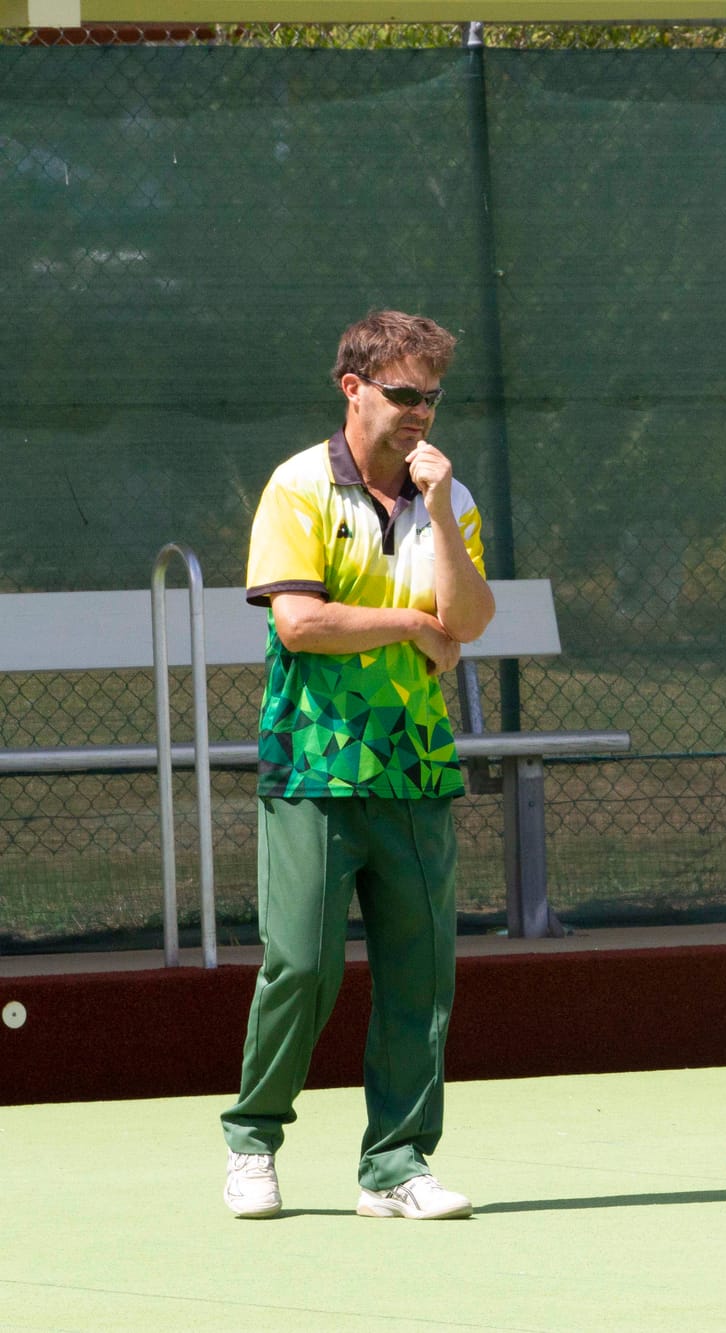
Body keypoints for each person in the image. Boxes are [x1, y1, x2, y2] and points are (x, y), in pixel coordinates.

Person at [220, 310, 495, 1220]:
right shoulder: (297, 487)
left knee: (421, 978)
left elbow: (472, 620)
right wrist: (415, 627)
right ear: (354, 388)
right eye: (404, 394)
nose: (421, 413)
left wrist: (443, 522)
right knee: (301, 965)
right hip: (313, 769)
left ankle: (398, 1165)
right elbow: (299, 621)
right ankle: (252, 1141)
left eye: (433, 397)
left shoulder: (448, 497)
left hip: (416, 772)